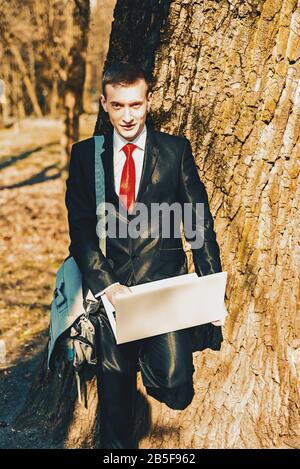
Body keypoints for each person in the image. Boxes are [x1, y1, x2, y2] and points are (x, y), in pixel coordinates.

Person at [65, 61, 224, 449]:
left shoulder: (175, 151)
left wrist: (211, 290)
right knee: (116, 406)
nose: (128, 115)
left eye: (135, 104)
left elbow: (198, 224)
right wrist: (105, 286)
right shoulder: (87, 156)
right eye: (118, 106)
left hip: (163, 293)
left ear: (149, 101)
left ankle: (147, 357)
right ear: (104, 104)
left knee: (176, 383)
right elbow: (81, 230)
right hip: (112, 295)